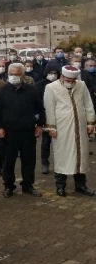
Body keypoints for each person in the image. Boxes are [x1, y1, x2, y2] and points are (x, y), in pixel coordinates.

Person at [0, 63, 46, 198]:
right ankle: (8, 185)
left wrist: (40, 125)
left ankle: (28, 185)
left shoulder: (31, 91)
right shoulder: (1, 92)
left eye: (17, 74)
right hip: (8, 133)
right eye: (12, 74)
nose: (14, 77)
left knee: (29, 160)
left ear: (22, 75)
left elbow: (40, 109)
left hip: (28, 132)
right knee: (8, 160)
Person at [44, 66, 96, 197]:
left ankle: (81, 185)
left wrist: (90, 123)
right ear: (62, 76)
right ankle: (60, 186)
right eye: (68, 79)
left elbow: (89, 105)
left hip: (81, 126)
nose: (71, 82)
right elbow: (49, 108)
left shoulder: (81, 85)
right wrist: (51, 127)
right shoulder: (51, 87)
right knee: (63, 155)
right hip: (62, 128)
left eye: (73, 80)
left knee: (81, 155)